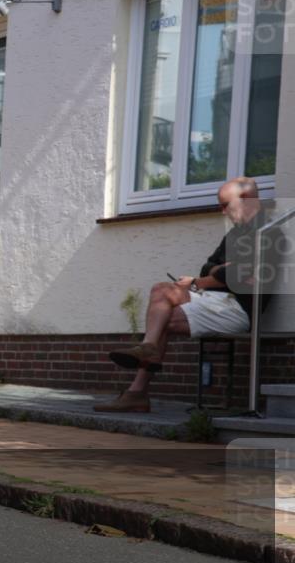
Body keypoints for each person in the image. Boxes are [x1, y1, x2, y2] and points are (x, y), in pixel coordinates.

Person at [95, 177, 273, 413]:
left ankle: (137, 391)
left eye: (225, 204)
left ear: (247, 200)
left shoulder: (269, 232)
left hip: (238, 309)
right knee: (161, 291)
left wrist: (209, 278)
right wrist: (221, 271)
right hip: (216, 300)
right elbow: (209, 268)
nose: (222, 212)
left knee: (162, 319)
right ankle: (147, 350)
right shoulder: (233, 235)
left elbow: (239, 276)